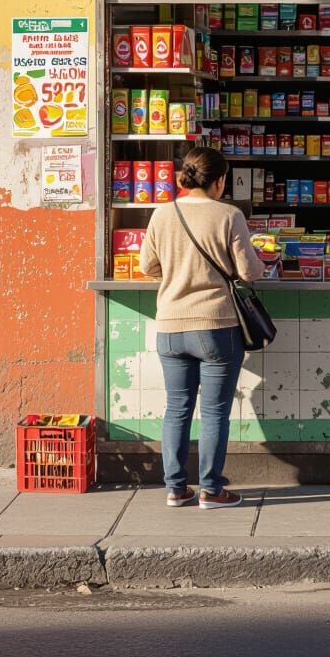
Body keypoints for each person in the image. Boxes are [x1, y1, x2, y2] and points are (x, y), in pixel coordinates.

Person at [139, 146, 265, 509]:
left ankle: (175, 490)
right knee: (214, 412)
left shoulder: (161, 215)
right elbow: (248, 271)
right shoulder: (229, 215)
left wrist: (178, 275)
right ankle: (211, 489)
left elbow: (148, 265)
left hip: (170, 327)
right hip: (216, 326)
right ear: (220, 180)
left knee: (176, 408)